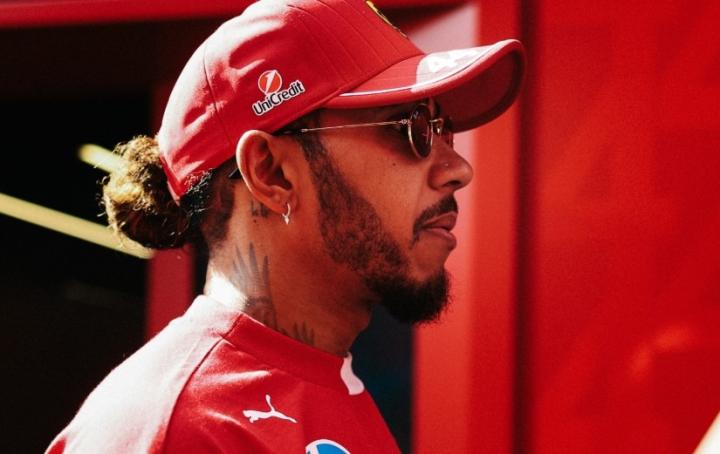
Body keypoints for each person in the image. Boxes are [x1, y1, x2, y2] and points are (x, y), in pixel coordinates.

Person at [46, 0, 525, 452]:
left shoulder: (328, 384)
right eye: (410, 128)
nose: (458, 168)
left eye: (443, 130)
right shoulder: (176, 428)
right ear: (271, 173)